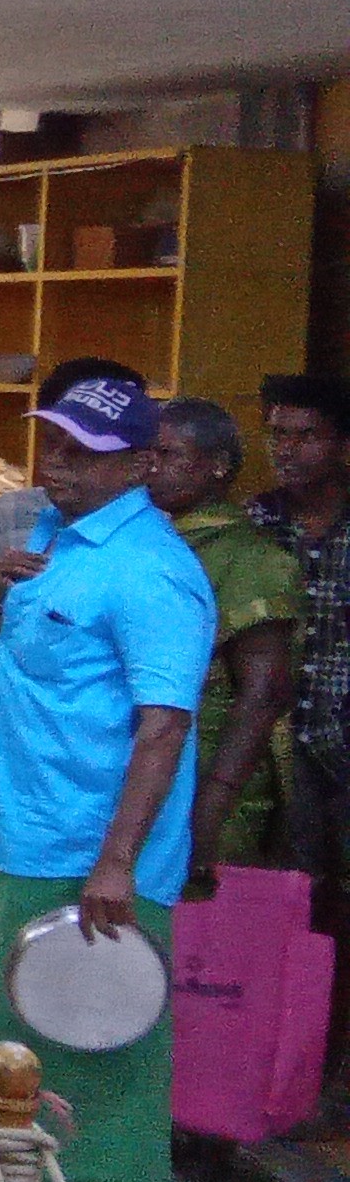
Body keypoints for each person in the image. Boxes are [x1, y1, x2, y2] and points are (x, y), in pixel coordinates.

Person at [0, 372, 213, 1182]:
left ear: (140, 465)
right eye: (53, 445)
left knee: (87, 1045)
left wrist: (117, 863)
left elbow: (165, 726)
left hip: (87, 851)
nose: (56, 465)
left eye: (83, 453)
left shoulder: (154, 571)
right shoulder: (57, 538)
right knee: (3, 1030)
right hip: (20, 833)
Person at [149, 398, 298, 879]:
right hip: (143, 765)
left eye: (169, 454)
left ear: (218, 465)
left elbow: (263, 695)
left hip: (210, 775)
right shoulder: (148, 537)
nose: (153, 466)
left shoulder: (250, 556)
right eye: (148, 452)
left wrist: (211, 808)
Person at [243, 374, 350, 893]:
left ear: (342, 445)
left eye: (305, 436)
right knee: (286, 894)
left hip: (342, 735)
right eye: (277, 434)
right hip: (276, 752)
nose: (286, 450)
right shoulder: (254, 524)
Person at [0, 356, 143, 642]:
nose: (56, 461)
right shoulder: (13, 511)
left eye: (83, 446)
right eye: (52, 441)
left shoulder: (151, 534)